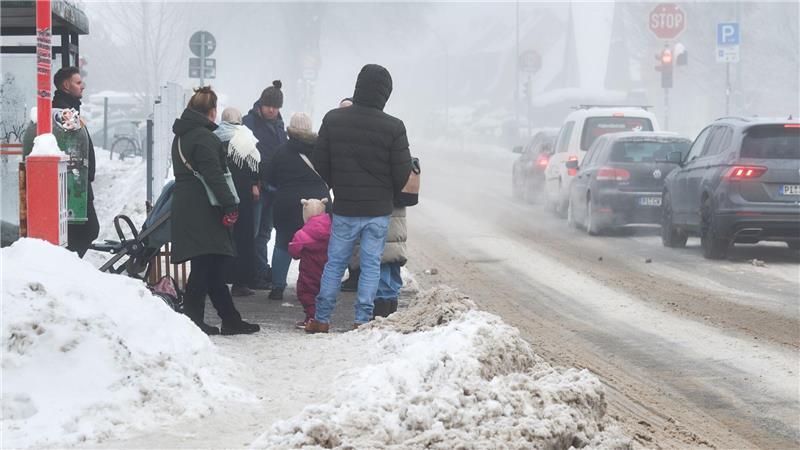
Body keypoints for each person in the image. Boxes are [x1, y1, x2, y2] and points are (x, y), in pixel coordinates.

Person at [306, 64, 413, 333]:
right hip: (378, 210)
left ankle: (321, 318)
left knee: (335, 264)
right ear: (385, 94)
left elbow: (320, 159)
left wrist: (337, 184)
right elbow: (403, 171)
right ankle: (362, 319)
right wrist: (385, 191)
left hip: (345, 206)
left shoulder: (333, 119)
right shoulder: (394, 127)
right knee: (370, 266)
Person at [171, 86, 260, 336]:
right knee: (206, 264)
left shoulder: (183, 135)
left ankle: (229, 319)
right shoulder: (204, 138)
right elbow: (215, 175)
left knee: (211, 265)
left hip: (190, 205)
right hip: (204, 207)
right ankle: (193, 320)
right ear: (212, 111)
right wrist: (230, 203)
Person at [263, 112, 330, 301]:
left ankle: (277, 287)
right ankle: (319, 285)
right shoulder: (322, 151)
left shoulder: (281, 151)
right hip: (319, 205)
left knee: (283, 243)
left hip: (287, 204)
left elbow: (269, 178)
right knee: (319, 246)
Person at [243, 80, 288, 290]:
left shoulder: (280, 124)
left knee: (265, 232)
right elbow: (245, 156)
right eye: (268, 105)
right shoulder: (249, 123)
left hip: (274, 186)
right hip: (258, 186)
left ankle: (260, 271)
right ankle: (252, 273)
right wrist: (253, 182)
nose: (272, 110)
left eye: (275, 106)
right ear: (260, 104)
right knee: (253, 231)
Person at [214, 107, 261, 297]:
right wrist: (254, 184)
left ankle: (218, 277)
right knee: (243, 237)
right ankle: (240, 282)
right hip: (243, 192)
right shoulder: (245, 137)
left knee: (220, 235)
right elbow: (255, 166)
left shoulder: (214, 137)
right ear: (240, 120)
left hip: (220, 193)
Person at [52, 67, 99, 257]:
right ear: (66, 85)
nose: (83, 87)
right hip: (74, 183)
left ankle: (70, 264)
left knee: (83, 231)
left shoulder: (69, 109)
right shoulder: (64, 112)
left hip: (78, 181)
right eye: (78, 83)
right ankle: (70, 265)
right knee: (87, 230)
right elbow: (73, 146)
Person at [349, 206, 407, 318]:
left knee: (382, 263)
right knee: (391, 260)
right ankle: (389, 311)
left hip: (379, 210)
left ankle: (381, 314)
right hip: (394, 218)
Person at [288, 198, 331, 329]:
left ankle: (312, 318)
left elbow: (294, 252)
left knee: (306, 292)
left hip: (309, 270)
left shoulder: (303, 233)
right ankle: (322, 317)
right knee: (323, 292)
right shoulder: (332, 228)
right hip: (328, 268)